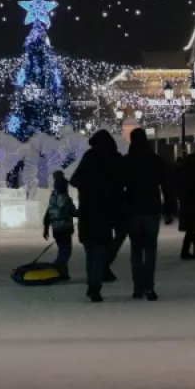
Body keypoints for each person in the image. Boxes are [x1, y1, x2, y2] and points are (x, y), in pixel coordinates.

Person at [69, 129, 126, 303]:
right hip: (107, 211)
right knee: (101, 248)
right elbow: (122, 182)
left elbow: (74, 180)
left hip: (88, 210)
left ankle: (93, 285)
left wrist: (87, 188)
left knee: (90, 251)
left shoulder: (89, 157)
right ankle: (97, 281)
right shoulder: (115, 158)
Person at [123, 128, 175, 301]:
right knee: (150, 250)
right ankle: (149, 287)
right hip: (152, 209)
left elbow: (119, 186)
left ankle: (138, 287)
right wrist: (169, 207)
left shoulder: (127, 161)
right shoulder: (155, 160)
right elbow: (167, 185)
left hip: (133, 209)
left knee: (136, 250)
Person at [43, 171, 77, 279]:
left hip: (56, 229)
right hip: (65, 228)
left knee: (62, 249)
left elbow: (48, 214)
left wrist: (46, 229)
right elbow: (73, 212)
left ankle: (63, 273)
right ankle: (57, 268)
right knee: (66, 251)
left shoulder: (52, 197)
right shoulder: (65, 199)